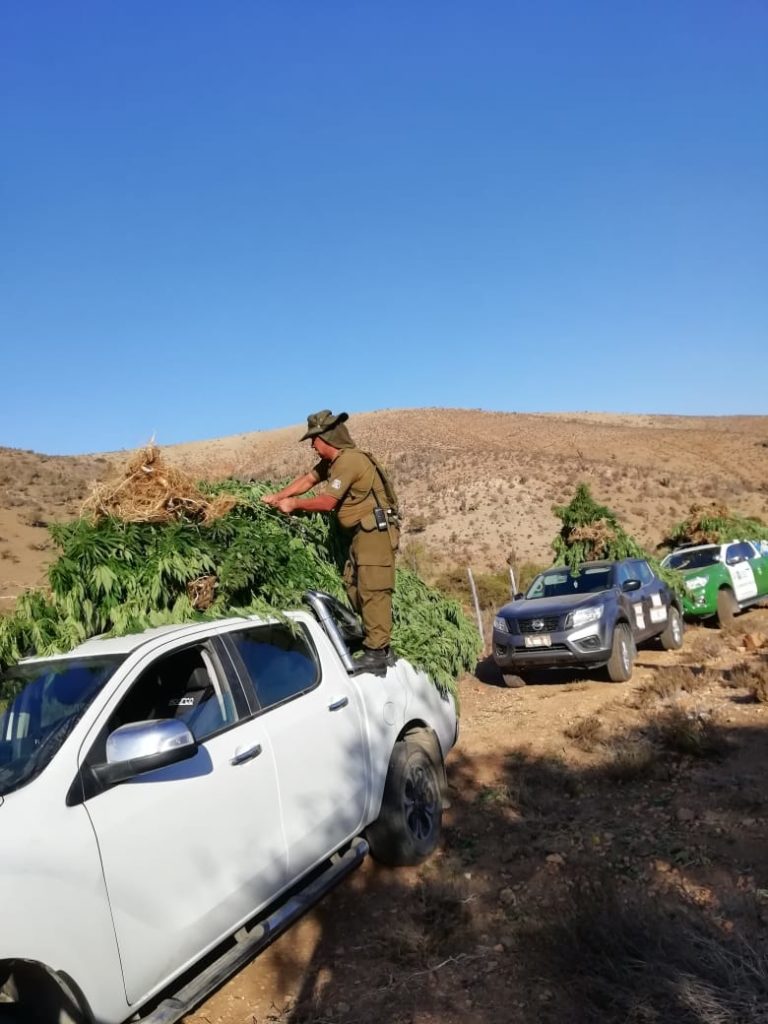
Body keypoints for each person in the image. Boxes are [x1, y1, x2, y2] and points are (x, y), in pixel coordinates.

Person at [261, 410, 400, 672]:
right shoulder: (334, 462)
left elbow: (327, 503)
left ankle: (378, 653)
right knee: (353, 586)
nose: (312, 446)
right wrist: (278, 496)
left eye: (315, 440)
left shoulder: (350, 461)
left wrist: (295, 505)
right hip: (360, 535)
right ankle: (377, 640)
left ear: (327, 438)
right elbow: (307, 479)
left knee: (373, 589)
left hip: (375, 533)